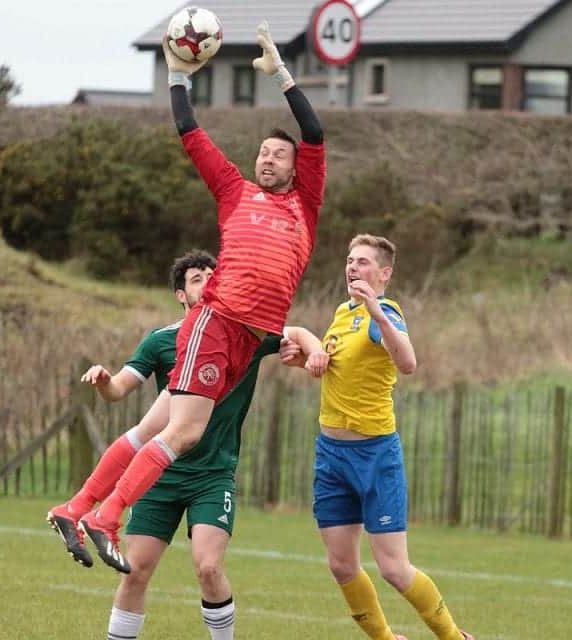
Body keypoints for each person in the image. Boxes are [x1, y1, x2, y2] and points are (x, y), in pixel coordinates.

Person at [76, 19, 327, 574]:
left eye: (277, 155)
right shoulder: (235, 192)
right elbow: (191, 133)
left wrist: (283, 75)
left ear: (295, 168)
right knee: (181, 431)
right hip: (218, 320)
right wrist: (176, 77)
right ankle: (105, 514)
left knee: (181, 433)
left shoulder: (304, 204)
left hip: (249, 336)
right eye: (262, 152)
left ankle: (97, 511)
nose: (268, 159)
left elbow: (314, 131)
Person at [48, 249, 327, 640]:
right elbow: (120, 389)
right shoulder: (164, 340)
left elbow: (295, 332)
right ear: (181, 294)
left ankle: (83, 508)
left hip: (212, 475)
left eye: (213, 276)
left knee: (209, 569)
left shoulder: (245, 331)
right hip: (159, 474)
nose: (209, 282)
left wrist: (314, 353)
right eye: (197, 279)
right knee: (136, 570)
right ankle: (92, 512)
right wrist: (104, 382)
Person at [281, 235, 474, 640]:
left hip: (373, 454)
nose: (353, 267)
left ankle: (454, 637)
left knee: (393, 569)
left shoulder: (383, 312)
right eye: (350, 260)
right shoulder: (340, 314)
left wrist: (377, 313)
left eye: (364, 262)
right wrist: (307, 362)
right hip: (331, 455)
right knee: (341, 565)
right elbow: (344, 373)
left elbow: (408, 363)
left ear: (384, 274)